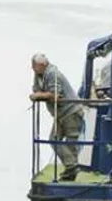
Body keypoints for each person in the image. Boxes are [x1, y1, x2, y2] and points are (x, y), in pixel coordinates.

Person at [30, 53, 85, 181]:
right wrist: (40, 94)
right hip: (60, 113)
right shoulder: (39, 75)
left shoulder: (53, 74)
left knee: (71, 141)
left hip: (71, 111)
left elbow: (54, 95)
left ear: (42, 64)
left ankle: (71, 170)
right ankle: (71, 167)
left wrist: (39, 96)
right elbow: (37, 90)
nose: (32, 68)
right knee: (54, 139)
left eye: (34, 65)